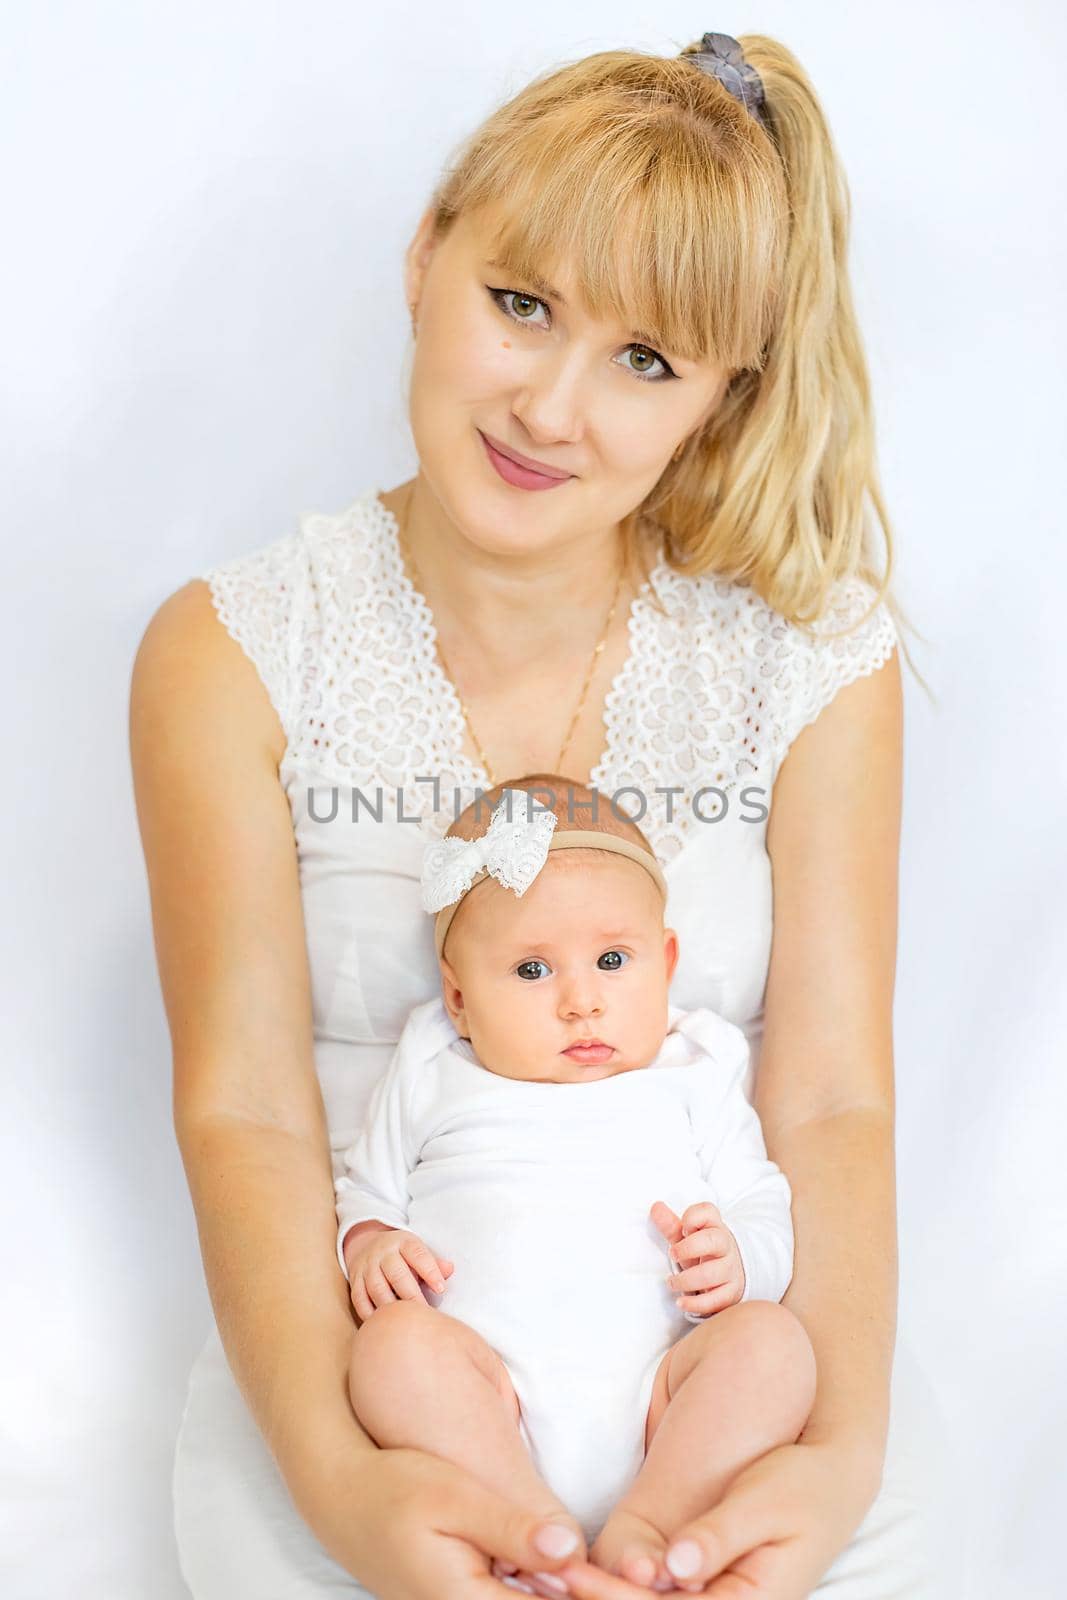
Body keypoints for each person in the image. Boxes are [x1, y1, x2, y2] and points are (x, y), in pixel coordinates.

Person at [129, 30, 949, 1600]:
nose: (551, 409)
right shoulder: (229, 648)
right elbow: (240, 1103)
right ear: (425, 253)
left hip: (725, 1398)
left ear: (721, 399)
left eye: (645, 360)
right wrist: (346, 1477)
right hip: (366, 1381)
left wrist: (826, 1454)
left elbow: (832, 1089)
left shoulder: (814, 654)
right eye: (522, 306)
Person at [335, 780, 812, 1596]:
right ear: (458, 996)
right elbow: (364, 1191)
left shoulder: (696, 1068)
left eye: (613, 961)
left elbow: (761, 1200)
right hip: (491, 1397)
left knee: (771, 1345)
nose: (581, 1001)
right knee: (389, 1350)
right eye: (529, 969)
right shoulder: (431, 1067)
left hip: (664, 1397)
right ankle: (525, 1524)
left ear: (664, 963)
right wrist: (374, 1245)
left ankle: (650, 1524)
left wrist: (738, 1259)